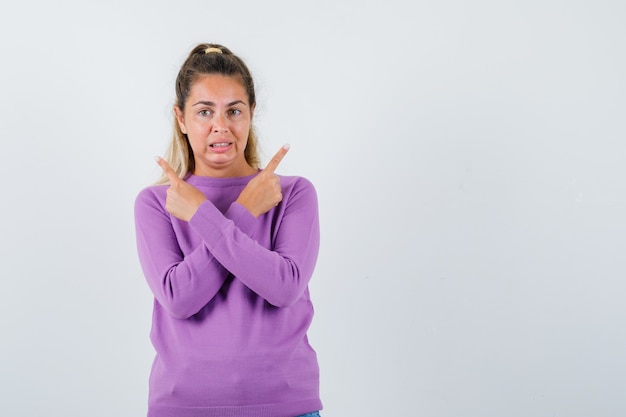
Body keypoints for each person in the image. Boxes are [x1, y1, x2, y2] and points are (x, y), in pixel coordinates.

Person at [134, 43, 322, 417]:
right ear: (181, 119)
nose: (220, 126)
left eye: (233, 110)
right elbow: (179, 298)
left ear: (251, 113)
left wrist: (210, 214)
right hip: (183, 408)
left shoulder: (294, 193)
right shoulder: (157, 203)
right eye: (204, 111)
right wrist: (243, 212)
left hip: (286, 407)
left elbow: (285, 288)